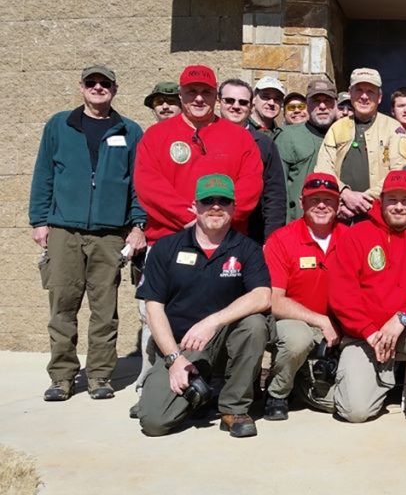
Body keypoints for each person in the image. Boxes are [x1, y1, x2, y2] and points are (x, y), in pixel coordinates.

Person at [29, 64, 147, 401]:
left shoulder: (129, 130)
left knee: (104, 310)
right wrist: (39, 220)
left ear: (115, 89)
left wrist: (138, 225)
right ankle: (62, 377)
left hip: (110, 235)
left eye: (105, 83)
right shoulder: (60, 125)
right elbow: (44, 174)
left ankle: (99, 377)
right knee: (63, 307)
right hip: (64, 230)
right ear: (81, 87)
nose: (98, 88)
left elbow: (138, 185)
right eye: (92, 83)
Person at [137, 175, 271, 438]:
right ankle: (198, 395)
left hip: (225, 345)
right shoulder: (166, 248)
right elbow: (154, 308)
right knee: (153, 421)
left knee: (255, 324)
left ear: (234, 207)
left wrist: (212, 322)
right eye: (208, 201)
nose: (216, 207)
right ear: (194, 206)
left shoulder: (248, 249)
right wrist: (174, 360)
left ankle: (234, 408)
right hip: (182, 349)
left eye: (224, 201)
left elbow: (262, 295)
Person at [327, 171, 406, 426]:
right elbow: (341, 293)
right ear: (381, 200)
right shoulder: (356, 235)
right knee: (355, 413)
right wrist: (370, 332)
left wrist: (400, 318)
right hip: (364, 336)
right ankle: (339, 387)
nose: (398, 206)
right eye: (392, 199)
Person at [134, 65, 264, 245]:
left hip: (225, 241)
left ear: (216, 97)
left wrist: (216, 221)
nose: (199, 98)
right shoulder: (155, 136)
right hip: (168, 239)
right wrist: (189, 218)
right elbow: (149, 185)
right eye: (191, 91)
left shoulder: (241, 138)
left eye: (206, 92)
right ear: (180, 95)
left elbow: (250, 185)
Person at [263, 173, 349, 419]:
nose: (321, 205)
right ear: (302, 202)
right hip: (295, 323)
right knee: (297, 339)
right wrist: (320, 321)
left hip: (341, 326)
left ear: (338, 204)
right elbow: (274, 300)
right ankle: (277, 393)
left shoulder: (351, 238)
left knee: (345, 405)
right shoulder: (282, 240)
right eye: (314, 199)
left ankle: (305, 381)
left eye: (328, 200)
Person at [315, 68, 406, 222]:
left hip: (378, 217)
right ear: (350, 93)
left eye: (370, 91)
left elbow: (399, 172)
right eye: (359, 90)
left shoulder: (394, 129)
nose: (364, 96)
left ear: (379, 97)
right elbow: (323, 168)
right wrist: (345, 194)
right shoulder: (337, 127)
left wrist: (362, 201)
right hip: (339, 214)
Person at [218, 78, 287, 244]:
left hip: (250, 235)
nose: (236, 106)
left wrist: (272, 240)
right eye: (229, 100)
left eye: (242, 102)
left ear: (250, 105)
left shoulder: (264, 144)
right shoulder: (202, 136)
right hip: (204, 229)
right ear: (219, 102)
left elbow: (275, 196)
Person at [276, 79, 339, 222]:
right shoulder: (288, 136)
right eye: (316, 101)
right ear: (308, 105)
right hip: (298, 226)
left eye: (328, 100)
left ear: (335, 105)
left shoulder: (345, 135)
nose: (322, 106)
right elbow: (278, 190)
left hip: (337, 228)